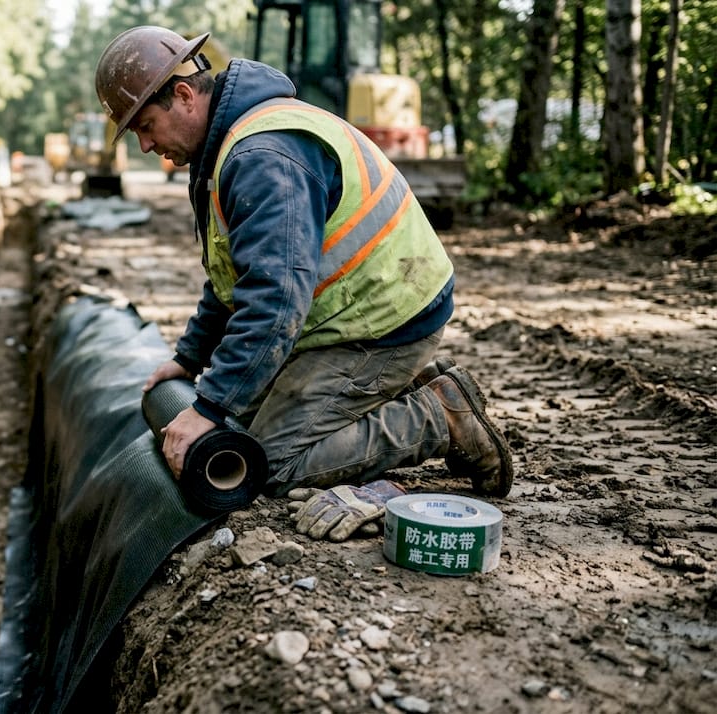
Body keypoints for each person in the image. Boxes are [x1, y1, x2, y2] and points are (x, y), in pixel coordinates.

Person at [94, 26, 514, 534]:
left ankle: (437, 416)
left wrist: (207, 406)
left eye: (145, 125)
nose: (144, 145)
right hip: (345, 313)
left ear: (183, 95)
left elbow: (275, 303)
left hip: (384, 321)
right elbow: (236, 278)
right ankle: (400, 390)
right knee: (236, 425)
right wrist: (188, 359)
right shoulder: (226, 148)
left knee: (267, 462)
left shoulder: (260, 158)